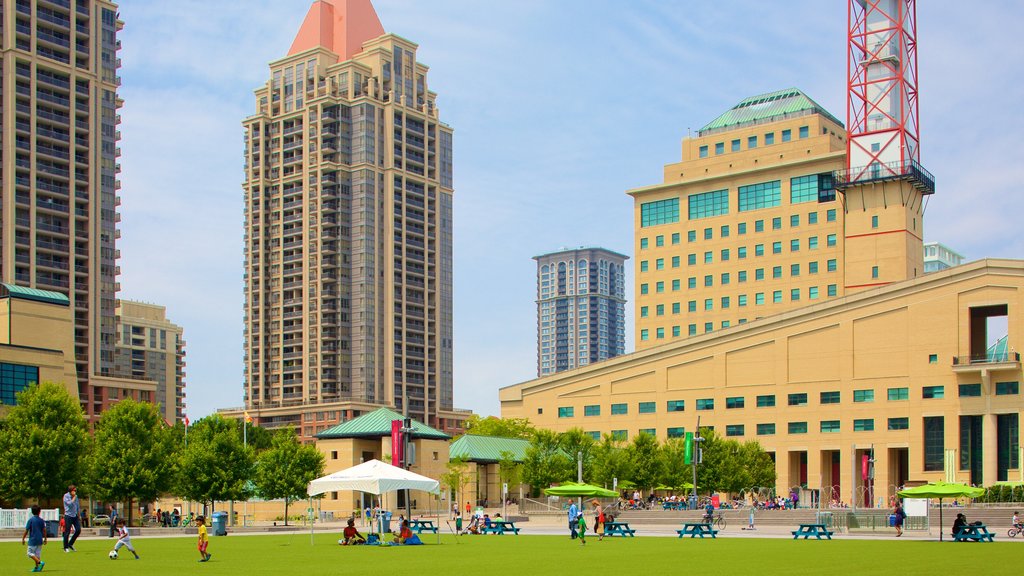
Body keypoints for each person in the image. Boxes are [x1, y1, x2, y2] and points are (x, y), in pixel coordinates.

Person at [22, 504, 46, 572]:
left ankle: (40, 563)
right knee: (37, 554)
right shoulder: (41, 520)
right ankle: (37, 567)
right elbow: (44, 530)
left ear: (32, 512)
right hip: (39, 540)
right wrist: (45, 539)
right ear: (39, 512)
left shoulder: (31, 520)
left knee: (29, 553)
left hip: (33, 540)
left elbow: (27, 530)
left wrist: (23, 538)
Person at [62, 484, 81, 552]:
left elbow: (77, 506)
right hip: (68, 515)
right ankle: (65, 547)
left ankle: (70, 544)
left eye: (75, 490)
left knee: (78, 530)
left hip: (75, 515)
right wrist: (73, 497)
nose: (75, 492)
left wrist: (79, 515)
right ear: (70, 491)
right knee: (67, 532)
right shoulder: (66, 496)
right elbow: (69, 504)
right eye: (74, 490)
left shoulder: (76, 496)